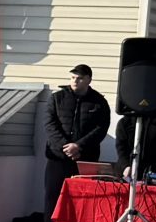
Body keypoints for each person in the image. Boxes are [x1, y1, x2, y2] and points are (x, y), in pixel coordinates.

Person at [44, 63, 112, 213]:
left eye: (80, 78)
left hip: (85, 158)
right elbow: (50, 125)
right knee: (53, 197)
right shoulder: (57, 98)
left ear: (88, 80)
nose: (75, 81)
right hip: (58, 157)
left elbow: (101, 128)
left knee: (81, 201)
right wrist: (66, 147)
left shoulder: (99, 102)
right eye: (73, 77)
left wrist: (79, 146)